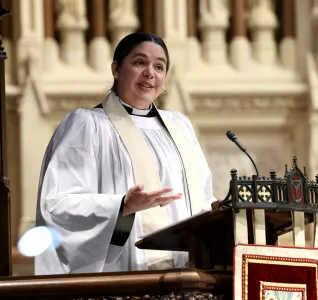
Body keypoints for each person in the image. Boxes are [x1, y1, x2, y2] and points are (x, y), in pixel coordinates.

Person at [35, 32, 216, 275]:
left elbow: (203, 201)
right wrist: (121, 206)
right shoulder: (88, 126)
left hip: (188, 272)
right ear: (116, 69)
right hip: (126, 269)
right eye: (140, 62)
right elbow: (57, 204)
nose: (150, 73)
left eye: (159, 67)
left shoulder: (180, 127)